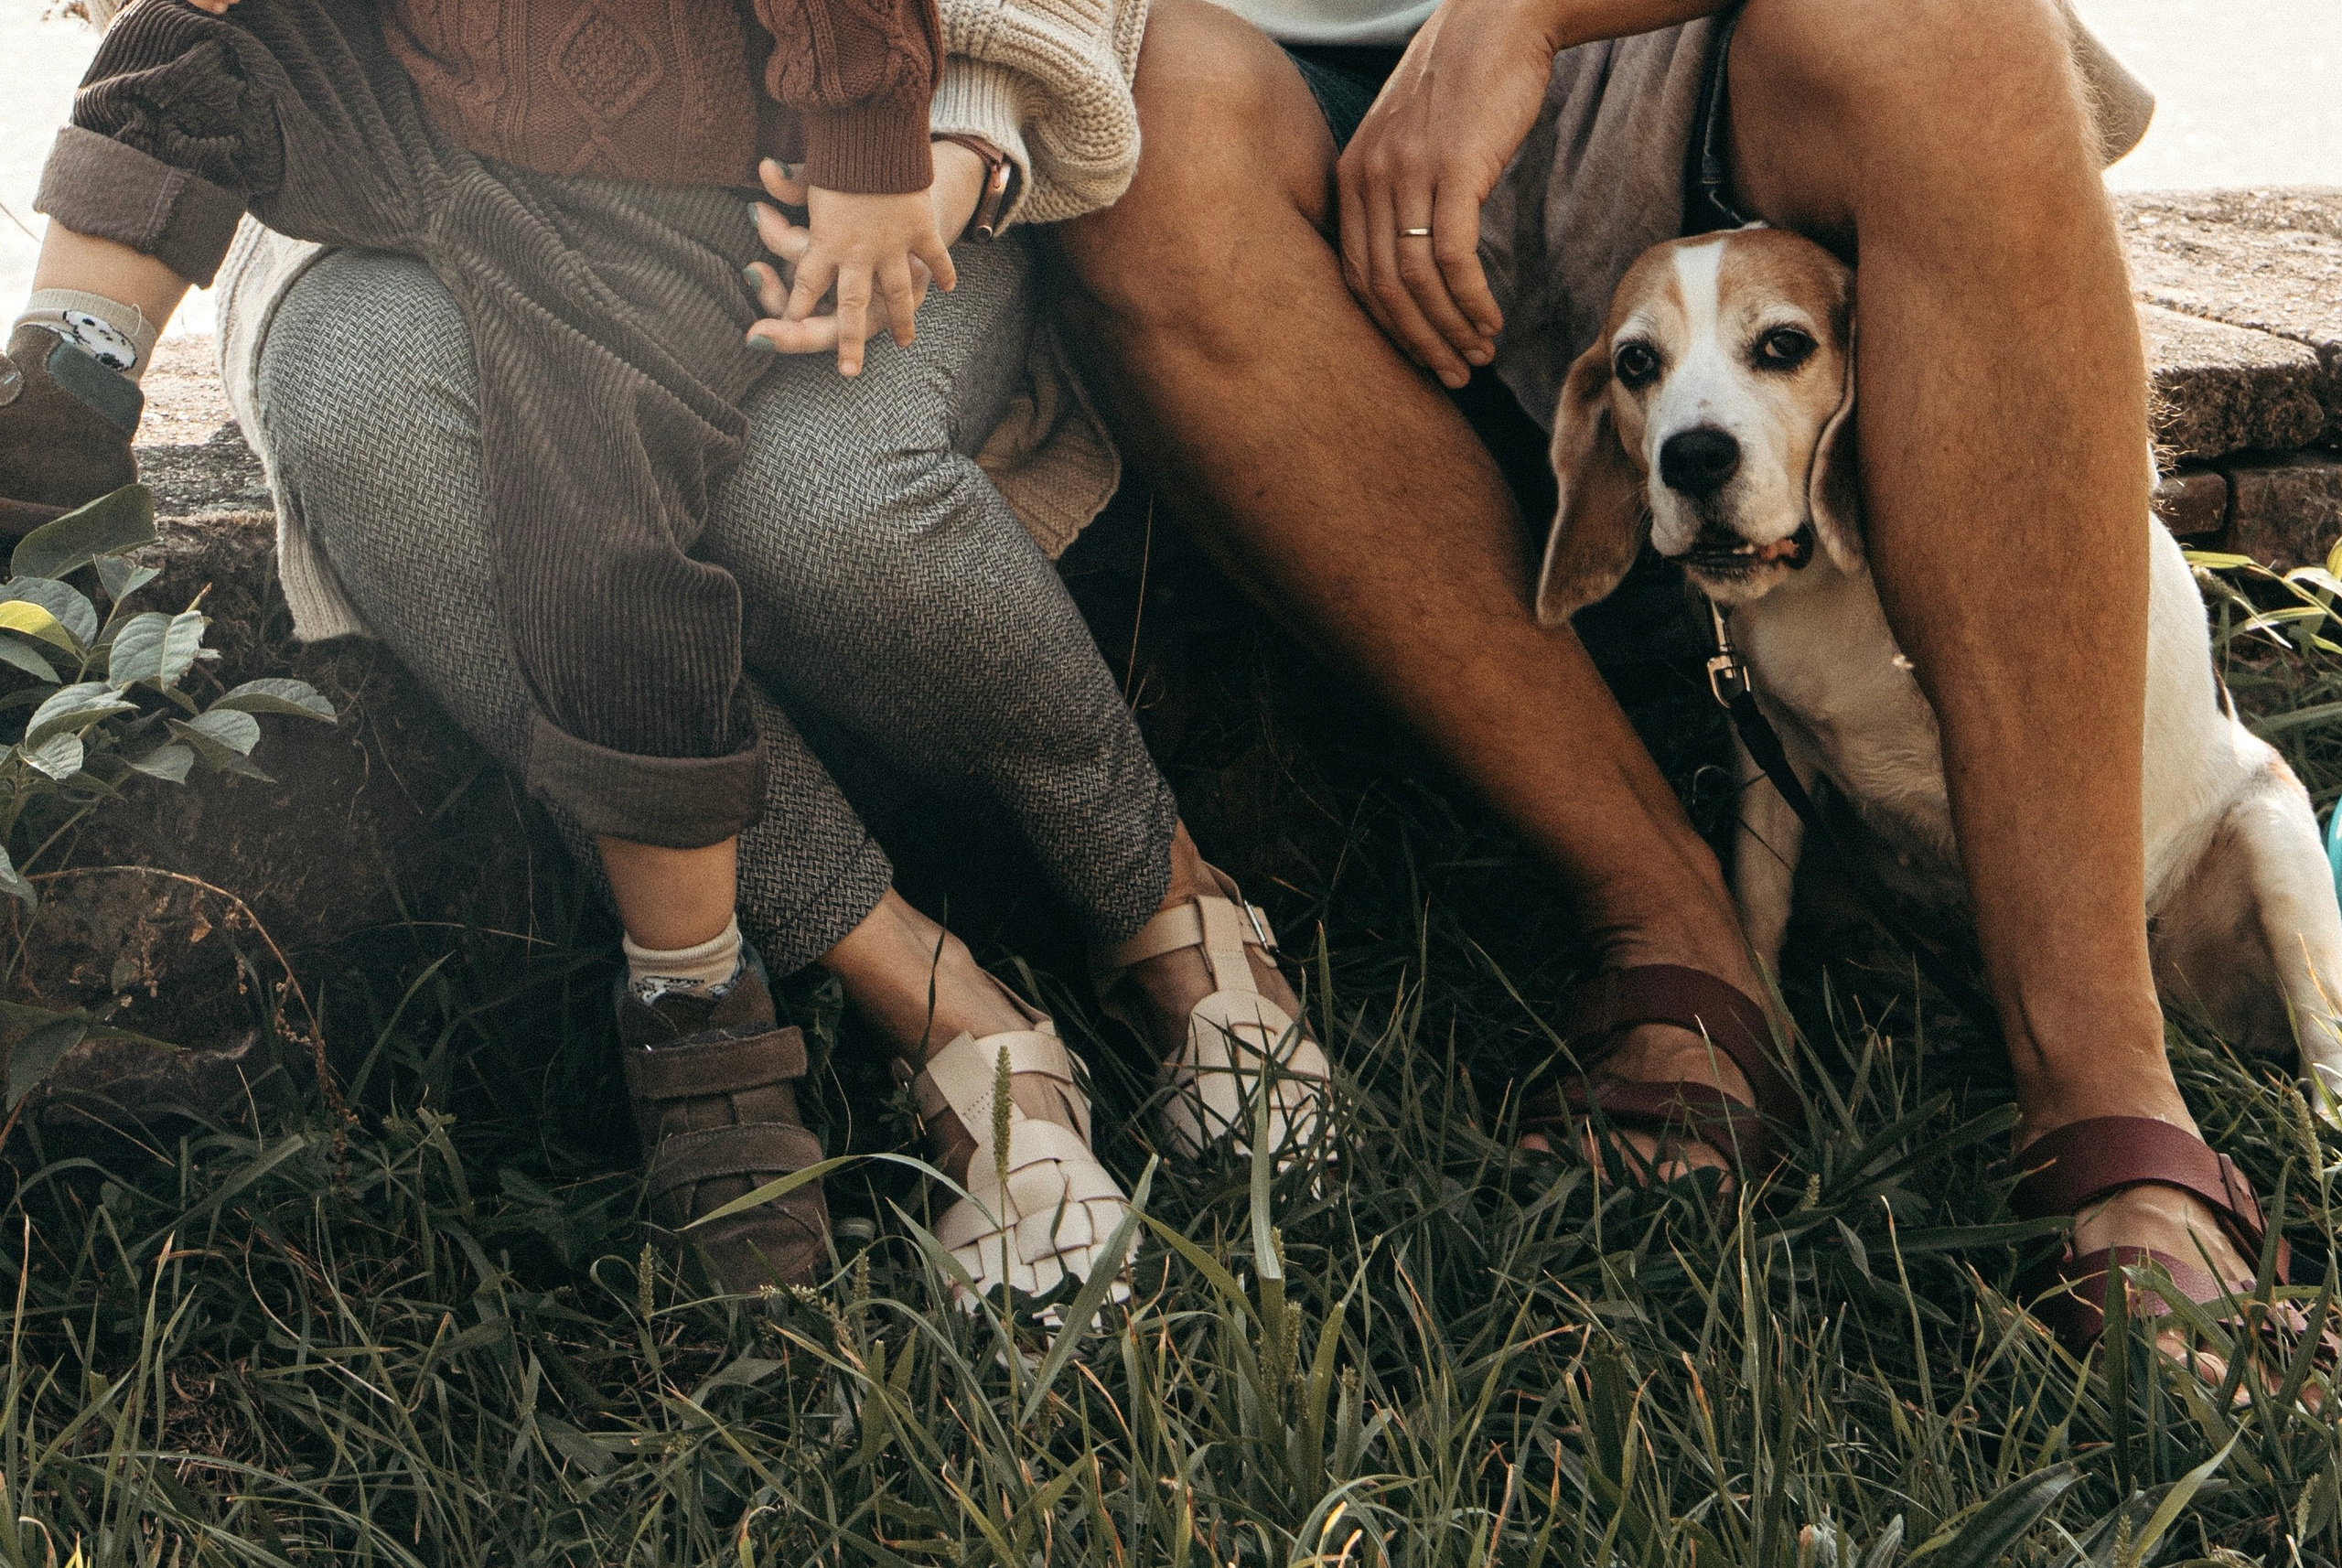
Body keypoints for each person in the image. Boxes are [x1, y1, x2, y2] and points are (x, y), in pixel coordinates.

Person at [9, 0, 1329, 1303]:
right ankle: (901, 1001)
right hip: (423, 117)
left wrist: (940, 136)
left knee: (791, 509)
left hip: (819, 133)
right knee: (380, 401)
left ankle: (1155, 897)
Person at [1047, 0, 2298, 1355]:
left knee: (1952, 28)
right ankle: (1674, 932)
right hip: (1250, 70)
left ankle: (2103, 1077)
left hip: (1660, 42)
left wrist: (1515, 20)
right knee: (1138, 130)